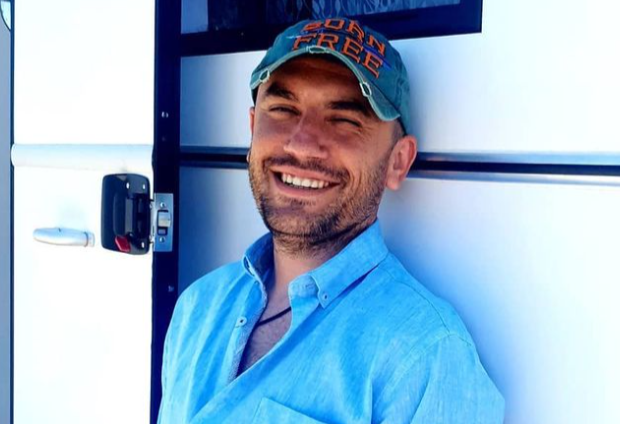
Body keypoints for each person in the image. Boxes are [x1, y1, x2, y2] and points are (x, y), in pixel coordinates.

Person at [158, 17, 504, 424]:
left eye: (344, 120)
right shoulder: (198, 306)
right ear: (252, 129)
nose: (302, 144)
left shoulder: (427, 355)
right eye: (283, 109)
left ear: (397, 162)